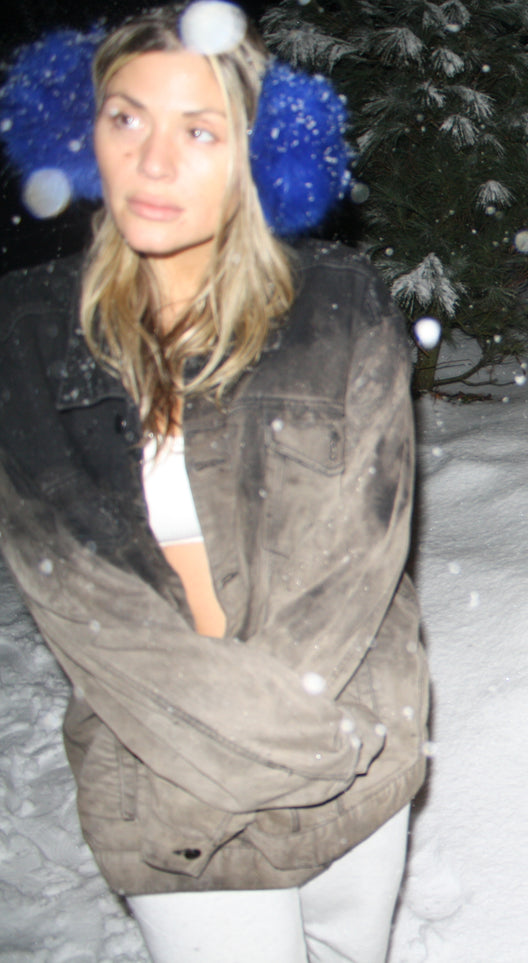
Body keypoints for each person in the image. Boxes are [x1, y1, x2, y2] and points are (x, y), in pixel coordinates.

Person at [0, 5, 429, 961]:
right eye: (125, 118)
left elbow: (350, 566)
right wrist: (272, 753)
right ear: (82, 132)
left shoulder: (339, 308)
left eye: (198, 131)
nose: (154, 163)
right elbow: (83, 596)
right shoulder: (25, 337)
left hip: (352, 755)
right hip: (169, 784)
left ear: (249, 151)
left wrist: (316, 745)